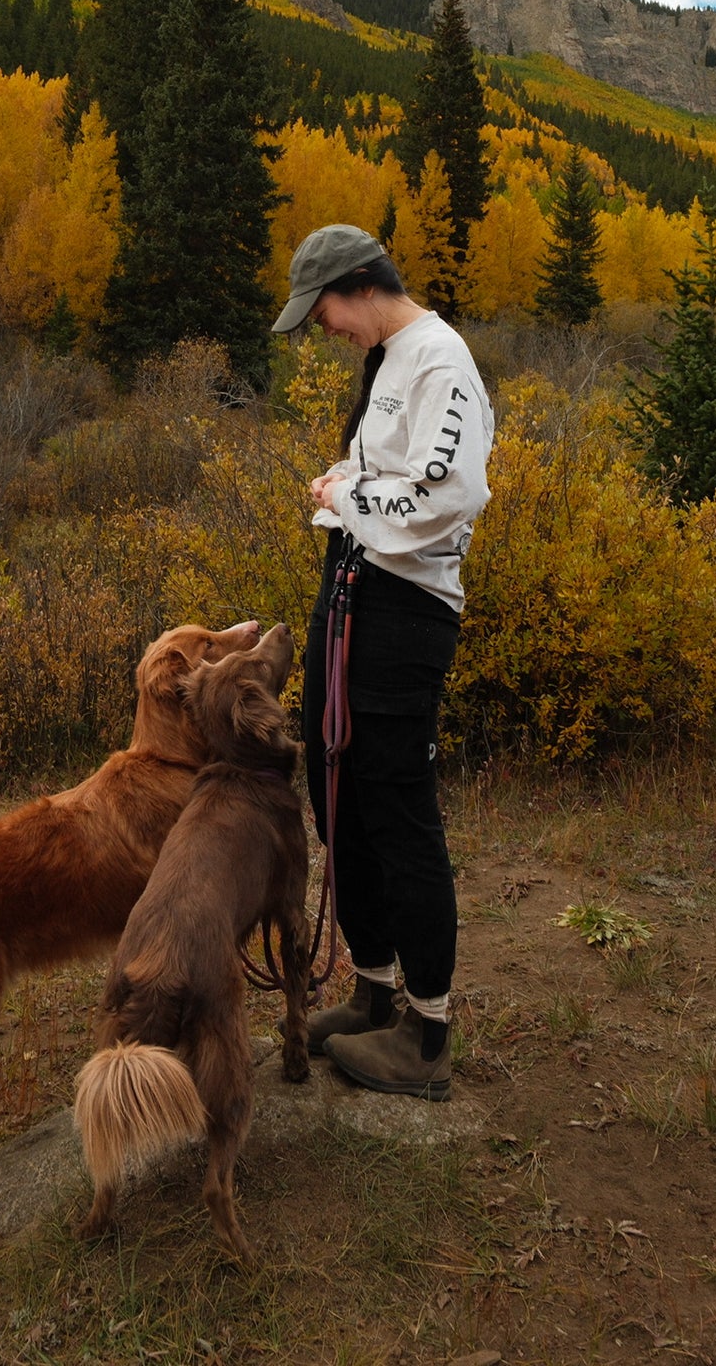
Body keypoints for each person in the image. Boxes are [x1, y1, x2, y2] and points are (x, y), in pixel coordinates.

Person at [271, 222, 494, 1098]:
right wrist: (345, 482)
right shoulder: (390, 357)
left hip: (403, 613)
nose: (322, 328)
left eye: (321, 310)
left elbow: (449, 493)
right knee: (338, 797)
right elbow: (389, 470)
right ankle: (371, 992)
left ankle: (426, 1034)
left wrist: (346, 494)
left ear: (359, 285)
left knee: (396, 811)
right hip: (353, 593)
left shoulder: (440, 361)